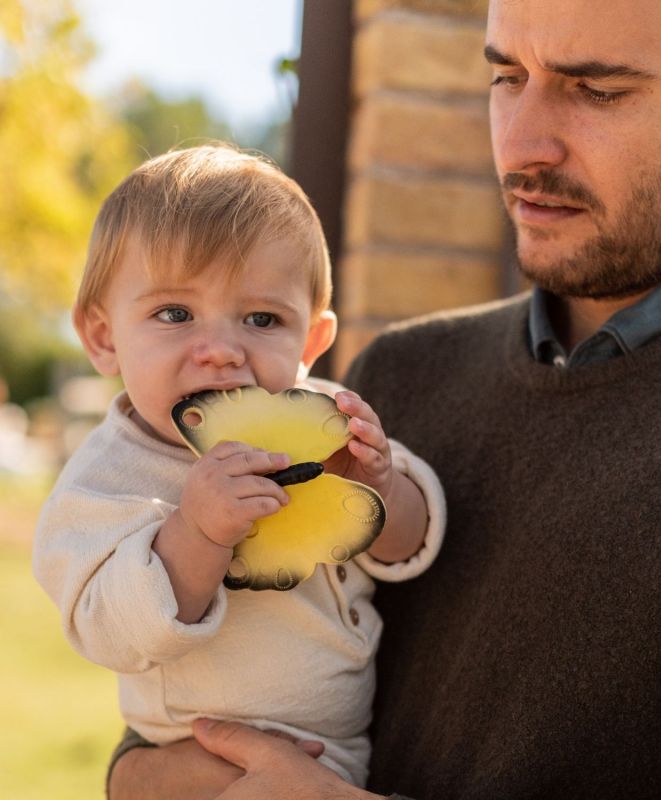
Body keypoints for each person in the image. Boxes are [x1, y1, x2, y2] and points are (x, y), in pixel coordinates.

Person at [108, 0, 661, 797]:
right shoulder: (400, 375)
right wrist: (142, 774)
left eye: (597, 90)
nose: (523, 146)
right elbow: (202, 702)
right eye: (508, 76)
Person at [32, 145, 446, 789]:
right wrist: (196, 537)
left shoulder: (320, 425)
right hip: (197, 756)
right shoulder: (107, 478)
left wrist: (383, 485)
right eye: (175, 313)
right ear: (103, 335)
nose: (222, 351)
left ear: (310, 341)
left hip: (339, 758)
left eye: (262, 318)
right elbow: (106, 629)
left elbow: (412, 541)